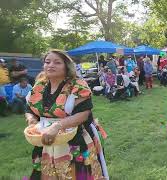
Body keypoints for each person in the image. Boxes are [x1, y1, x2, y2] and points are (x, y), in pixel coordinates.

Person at [25, 50, 108, 179]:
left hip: (74, 140)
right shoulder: (39, 85)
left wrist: (57, 126)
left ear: (66, 66)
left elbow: (83, 114)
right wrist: (31, 121)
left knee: (75, 174)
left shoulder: (78, 85)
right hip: (44, 140)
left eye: (57, 62)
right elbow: (30, 108)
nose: (50, 65)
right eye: (47, 62)